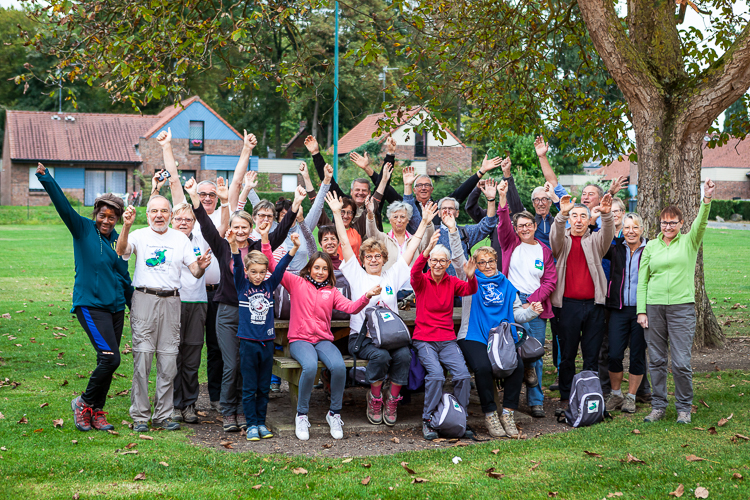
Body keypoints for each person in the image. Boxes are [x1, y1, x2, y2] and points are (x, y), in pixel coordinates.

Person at [188, 179, 304, 432]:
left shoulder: (256, 247)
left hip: (252, 315)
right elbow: (206, 225)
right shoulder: (222, 246)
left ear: (250, 228)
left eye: (244, 227)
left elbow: (282, 230)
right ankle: (228, 410)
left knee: (246, 364)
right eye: (236, 227)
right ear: (230, 228)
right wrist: (193, 197)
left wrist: (295, 203)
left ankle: (244, 409)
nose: (240, 231)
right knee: (232, 364)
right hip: (228, 312)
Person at [155, 127, 256, 412]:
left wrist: (246, 149)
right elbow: (174, 181)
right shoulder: (187, 215)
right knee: (192, 349)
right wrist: (167, 147)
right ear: (196, 195)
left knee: (217, 347)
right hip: (193, 294)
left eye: (212, 193)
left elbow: (235, 185)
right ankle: (188, 400)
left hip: (219, 294)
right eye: (203, 193)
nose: (208, 197)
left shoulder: (224, 221)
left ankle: (216, 397)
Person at [36, 163, 132, 432]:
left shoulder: (119, 242)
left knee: (108, 361)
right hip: (90, 306)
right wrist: (46, 179)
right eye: (103, 215)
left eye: (112, 217)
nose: (106, 221)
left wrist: (132, 302)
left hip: (115, 308)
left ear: (118, 219)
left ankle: (96, 411)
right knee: (111, 358)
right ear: (96, 214)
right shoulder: (82, 229)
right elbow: (63, 206)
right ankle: (83, 402)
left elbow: (124, 276)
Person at [329, 190, 437, 426]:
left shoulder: (392, 276)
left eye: (378, 256)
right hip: (363, 338)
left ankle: (393, 399)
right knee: (380, 356)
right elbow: (344, 243)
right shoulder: (356, 275)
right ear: (363, 259)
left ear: (384, 258)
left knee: (403, 356)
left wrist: (425, 223)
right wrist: (337, 214)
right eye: (369, 256)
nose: (374, 259)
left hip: (391, 336)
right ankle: (375, 397)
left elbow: (410, 249)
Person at [116, 196, 212, 432]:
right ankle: (139, 416)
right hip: (144, 299)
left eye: (164, 211)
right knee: (143, 358)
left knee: (169, 360)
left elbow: (195, 272)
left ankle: (163, 415)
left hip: (172, 301)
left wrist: (201, 265)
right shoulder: (138, 234)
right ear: (147, 214)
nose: (159, 215)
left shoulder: (180, 239)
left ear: (170, 215)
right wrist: (126, 226)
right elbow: (121, 250)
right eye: (154, 211)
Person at [267, 248, 380, 441]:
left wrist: (367, 296)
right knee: (310, 367)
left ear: (329, 272)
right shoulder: (296, 283)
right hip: (299, 340)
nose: (320, 272)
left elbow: (351, 308)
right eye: (316, 267)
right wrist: (265, 241)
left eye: (325, 269)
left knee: (338, 367)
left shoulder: (332, 292)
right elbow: (272, 265)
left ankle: (334, 414)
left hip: (322, 340)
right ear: (309, 268)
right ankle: (301, 415)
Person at [448, 232, 543, 438]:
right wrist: (452, 229)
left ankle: (508, 414)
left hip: (501, 338)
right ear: (476, 265)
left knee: (516, 367)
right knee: (483, 368)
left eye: (491, 261)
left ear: (496, 261)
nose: (487, 265)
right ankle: (490, 414)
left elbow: (517, 313)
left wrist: (532, 311)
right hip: (473, 335)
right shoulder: (469, 280)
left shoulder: (506, 284)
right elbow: (457, 256)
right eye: (482, 263)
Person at [638, 179, 715, 424]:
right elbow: (643, 280)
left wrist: (707, 199)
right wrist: (642, 311)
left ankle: (684, 408)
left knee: (681, 362)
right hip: (654, 307)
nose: (668, 226)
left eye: (673, 222)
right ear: (659, 224)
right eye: (664, 222)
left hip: (682, 308)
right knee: (657, 360)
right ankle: (658, 406)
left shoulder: (690, 241)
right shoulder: (650, 246)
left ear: (681, 224)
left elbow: (701, 223)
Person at [230, 220, 298, 441]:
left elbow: (279, 269)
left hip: (266, 343)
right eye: (254, 272)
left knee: (263, 387)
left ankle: (261, 422)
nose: (258, 276)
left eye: (261, 272)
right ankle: (251, 425)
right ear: (248, 272)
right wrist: (233, 246)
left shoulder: (270, 285)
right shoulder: (242, 286)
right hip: (248, 343)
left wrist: (294, 249)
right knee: (250, 387)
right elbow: (237, 265)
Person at [496, 180, 557, 419]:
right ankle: (510, 399)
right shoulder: (510, 244)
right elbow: (502, 224)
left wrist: (532, 301)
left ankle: (536, 401)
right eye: (519, 226)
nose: (524, 229)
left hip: (537, 304)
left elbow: (550, 280)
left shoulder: (544, 250)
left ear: (534, 226)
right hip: (512, 302)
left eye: (528, 225)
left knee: (535, 353)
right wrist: (502, 197)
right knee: (512, 351)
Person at [549, 193, 615, 409]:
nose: (578, 220)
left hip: (594, 306)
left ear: (588, 220)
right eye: (574, 216)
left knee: (591, 354)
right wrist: (561, 214)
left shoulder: (595, 240)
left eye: (582, 216)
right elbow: (555, 238)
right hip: (568, 306)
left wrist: (606, 216)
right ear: (570, 219)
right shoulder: (563, 241)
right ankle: (566, 396)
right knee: (567, 355)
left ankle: (589, 394)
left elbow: (608, 235)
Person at [411, 231, 478, 440]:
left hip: (447, 339)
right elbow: (413, 272)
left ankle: (459, 417)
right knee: (437, 375)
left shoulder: (452, 282)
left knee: (463, 375)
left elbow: (469, 290)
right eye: (434, 260)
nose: (438, 264)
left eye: (442, 261)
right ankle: (428, 419)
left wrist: (470, 275)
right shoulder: (421, 281)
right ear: (429, 262)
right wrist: (426, 251)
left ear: (448, 263)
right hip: (424, 339)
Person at [603, 213, 648, 414]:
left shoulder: (650, 249)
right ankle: (616, 395)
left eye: (635, 227)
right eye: (627, 228)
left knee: (637, 355)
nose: (631, 231)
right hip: (618, 308)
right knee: (614, 354)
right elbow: (600, 240)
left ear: (641, 230)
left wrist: (645, 310)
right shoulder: (615, 247)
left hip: (641, 311)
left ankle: (631, 397)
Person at [304, 135, 392, 236]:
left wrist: (390, 155)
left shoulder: (373, 205)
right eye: (357, 190)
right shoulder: (343, 203)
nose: (360, 193)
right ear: (351, 191)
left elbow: (383, 183)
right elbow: (329, 181)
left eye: (364, 190)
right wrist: (316, 154)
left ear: (369, 193)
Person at [408, 179, 498, 278]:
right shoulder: (431, 231)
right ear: (439, 213)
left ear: (457, 213)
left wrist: (491, 200)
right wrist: (407, 186)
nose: (447, 211)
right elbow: (413, 217)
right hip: (435, 287)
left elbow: (488, 225)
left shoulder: (465, 232)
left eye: (450, 209)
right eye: (444, 209)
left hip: (461, 286)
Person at [403, 155, 503, 233]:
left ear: (432, 189)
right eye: (420, 185)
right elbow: (389, 193)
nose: (423, 188)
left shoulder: (441, 206)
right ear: (414, 190)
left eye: (427, 185)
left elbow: (460, 192)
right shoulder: (407, 207)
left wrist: (481, 171)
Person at [367, 163, 434, 272]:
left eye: (403, 216)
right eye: (395, 217)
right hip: (391, 288)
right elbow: (371, 232)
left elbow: (428, 238)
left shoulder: (415, 240)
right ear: (389, 219)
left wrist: (428, 222)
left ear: (408, 220)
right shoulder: (384, 239)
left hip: (412, 288)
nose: (399, 220)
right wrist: (370, 214)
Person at [464, 155, 525, 266]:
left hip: (517, 265)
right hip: (496, 266)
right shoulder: (493, 217)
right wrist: (477, 189)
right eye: (502, 194)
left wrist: (507, 175)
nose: (505, 197)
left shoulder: (520, 215)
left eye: (507, 194)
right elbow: (470, 208)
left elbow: (514, 199)